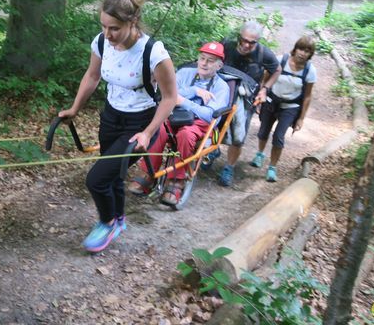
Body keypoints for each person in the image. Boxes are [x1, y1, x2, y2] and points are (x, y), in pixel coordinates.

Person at [59, 0, 177, 253]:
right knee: (111, 175)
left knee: (96, 179)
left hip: (140, 124)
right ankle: (119, 219)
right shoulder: (102, 43)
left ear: (132, 22)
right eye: (103, 26)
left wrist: (148, 133)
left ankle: (107, 221)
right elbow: (92, 75)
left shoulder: (153, 52)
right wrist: (75, 109)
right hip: (111, 117)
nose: (107, 34)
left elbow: (170, 98)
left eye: (114, 28)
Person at [128, 42, 230, 205]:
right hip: (174, 116)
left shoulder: (222, 87)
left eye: (210, 61)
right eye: (202, 58)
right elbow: (168, 92)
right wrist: (194, 92)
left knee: (185, 134)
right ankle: (148, 173)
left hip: (199, 125)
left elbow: (209, 115)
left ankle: (176, 181)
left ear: (219, 65)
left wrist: (183, 101)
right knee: (158, 128)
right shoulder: (184, 73)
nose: (204, 63)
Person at [218, 21, 282, 187]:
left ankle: (229, 167)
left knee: (238, 135)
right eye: (244, 40)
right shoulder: (226, 46)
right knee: (214, 125)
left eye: (252, 42)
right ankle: (212, 151)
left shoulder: (263, 54)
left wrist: (264, 89)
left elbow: (277, 70)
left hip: (246, 100)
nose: (246, 45)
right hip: (222, 94)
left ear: (258, 41)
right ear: (239, 37)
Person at [251, 36, 317, 182]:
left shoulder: (310, 71)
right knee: (263, 131)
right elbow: (265, 79)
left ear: (310, 54)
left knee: (278, 137)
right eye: (300, 49)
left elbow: (307, 97)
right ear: (295, 48)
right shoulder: (280, 60)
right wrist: (261, 98)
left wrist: (301, 118)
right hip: (271, 101)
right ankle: (260, 154)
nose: (302, 53)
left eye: (307, 51)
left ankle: (272, 168)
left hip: (290, 107)